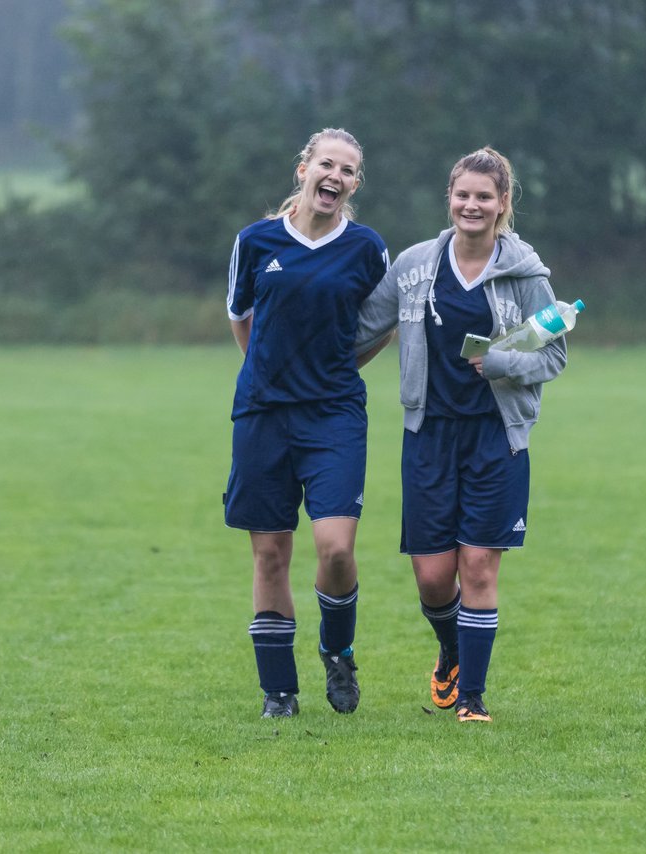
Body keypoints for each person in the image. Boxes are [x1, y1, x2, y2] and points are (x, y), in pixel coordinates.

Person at [354, 147, 568, 722]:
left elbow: (554, 355)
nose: (472, 205)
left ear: (503, 204)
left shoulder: (526, 274)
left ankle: (471, 698)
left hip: (497, 438)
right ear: (449, 198)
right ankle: (451, 648)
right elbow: (360, 331)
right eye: (463, 195)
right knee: (432, 577)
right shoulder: (415, 264)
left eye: (484, 197)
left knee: (478, 566)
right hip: (428, 434)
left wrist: (502, 363)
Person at [225, 128, 389, 718]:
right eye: (327, 165)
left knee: (336, 548)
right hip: (263, 416)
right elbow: (242, 317)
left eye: (347, 171)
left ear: (354, 185)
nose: (335, 177)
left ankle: (337, 651)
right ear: (303, 169)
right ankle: (279, 694)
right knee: (270, 554)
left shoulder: (368, 249)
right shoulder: (255, 240)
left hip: (334, 415)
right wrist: (268, 374)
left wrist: (329, 372)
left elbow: (380, 326)